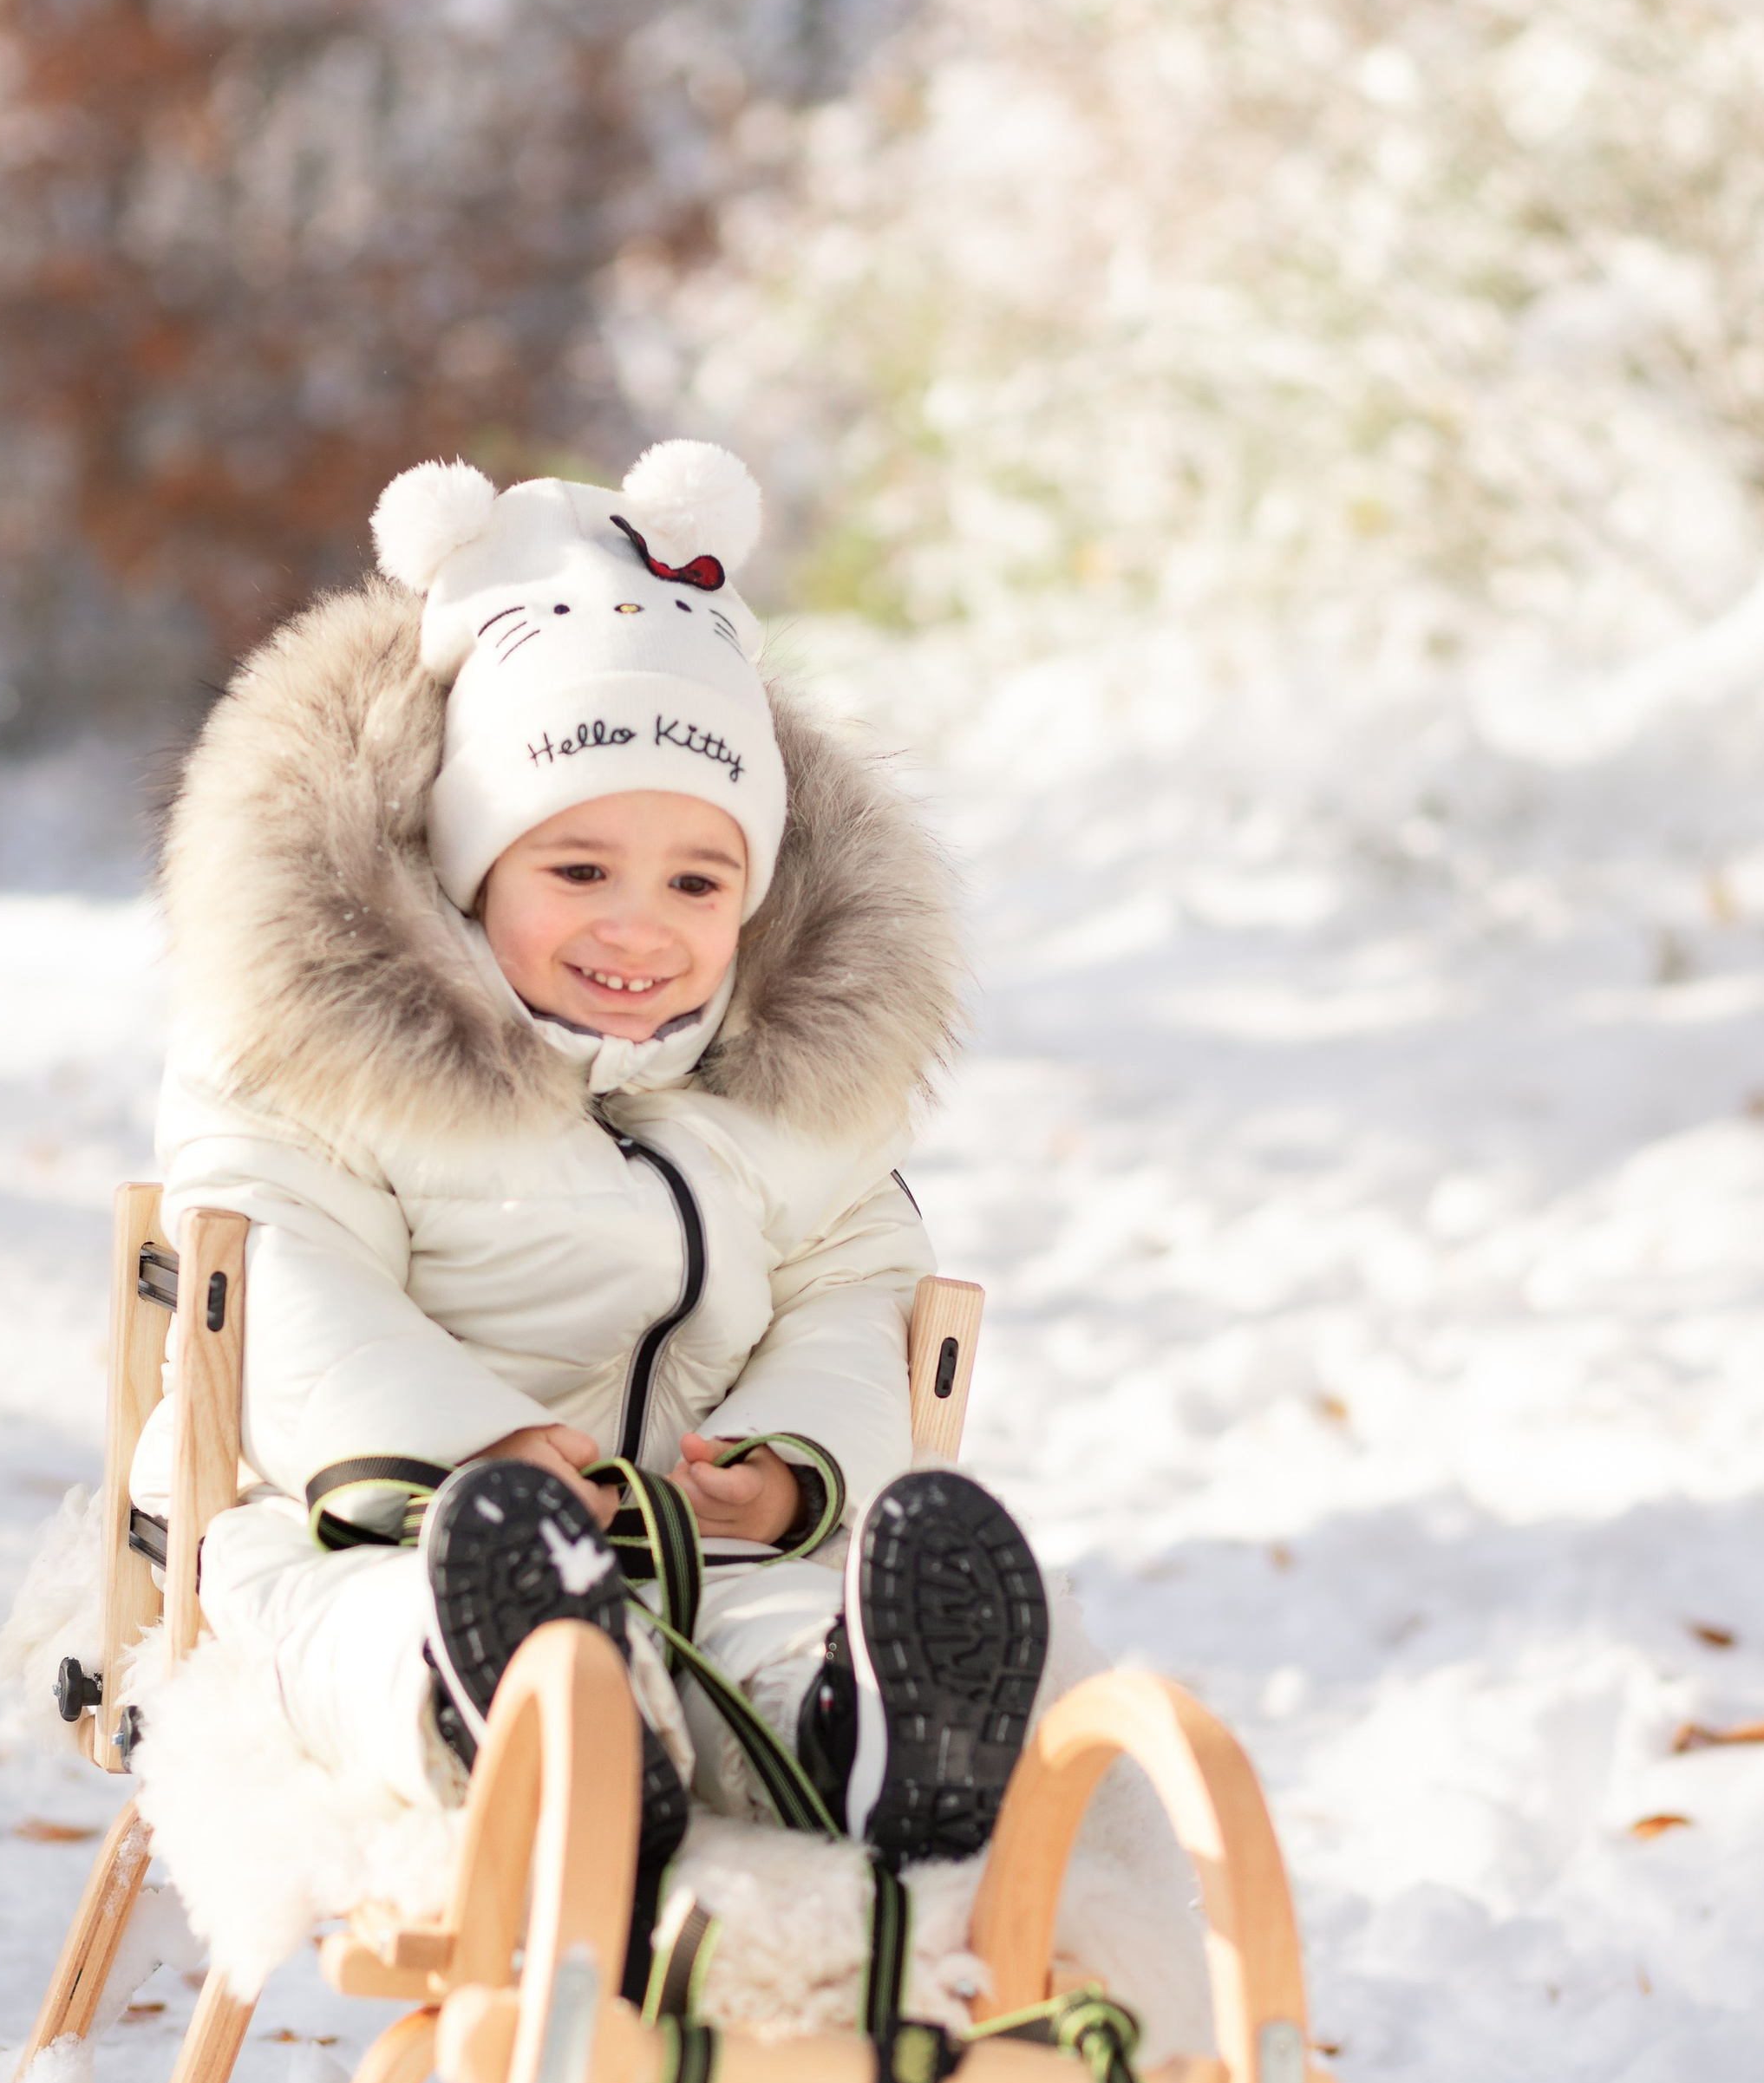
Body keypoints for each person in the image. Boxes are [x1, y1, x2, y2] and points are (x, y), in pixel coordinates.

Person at [138, 439, 1098, 1914]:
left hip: (686, 1530)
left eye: (697, 881)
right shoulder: (321, 1056)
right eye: (578, 870)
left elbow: (860, 1285)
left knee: (778, 1619)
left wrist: (788, 1471)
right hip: (366, 1513)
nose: (640, 927)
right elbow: (273, 1270)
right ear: (468, 864)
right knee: (319, 1616)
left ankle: (860, 1732)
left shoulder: (786, 1084)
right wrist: (470, 1452)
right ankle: (502, 1706)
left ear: (755, 891)